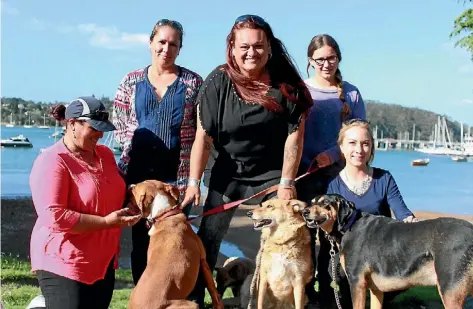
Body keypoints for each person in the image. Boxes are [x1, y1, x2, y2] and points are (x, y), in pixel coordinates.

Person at [181, 14, 313, 307]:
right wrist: (193, 183)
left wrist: (287, 182)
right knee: (209, 238)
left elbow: (295, 135)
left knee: (288, 232)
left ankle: (291, 296)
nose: (251, 52)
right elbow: (203, 137)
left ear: (269, 47)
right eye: (244, 46)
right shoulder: (217, 82)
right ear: (232, 47)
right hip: (227, 172)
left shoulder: (286, 85)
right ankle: (196, 299)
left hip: (272, 173)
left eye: (258, 46)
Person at [112, 18, 203, 284]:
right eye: (161, 42)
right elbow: (120, 123)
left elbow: (201, 131)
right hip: (137, 180)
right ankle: (145, 296)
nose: (166, 48)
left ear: (180, 48)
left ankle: (176, 297)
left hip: (176, 181)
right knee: (141, 245)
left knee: (175, 245)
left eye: (173, 44)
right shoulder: (131, 80)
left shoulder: (192, 82)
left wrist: (194, 181)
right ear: (151, 43)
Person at [29, 97, 141, 309]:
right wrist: (107, 222)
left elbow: (114, 190)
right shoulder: (53, 160)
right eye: (94, 128)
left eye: (103, 129)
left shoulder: (105, 155)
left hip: (102, 261)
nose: (100, 135)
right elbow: (54, 216)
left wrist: (132, 201)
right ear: (72, 124)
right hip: (64, 260)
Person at [295, 34, 366, 308]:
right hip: (304, 175)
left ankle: (330, 294)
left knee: (331, 238)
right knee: (303, 238)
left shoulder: (351, 93)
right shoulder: (301, 90)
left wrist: (334, 154)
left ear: (339, 58)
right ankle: (304, 293)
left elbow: (359, 133)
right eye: (320, 59)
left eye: (331, 58)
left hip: (337, 177)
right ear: (310, 61)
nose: (326, 64)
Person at [327, 119, 418, 308]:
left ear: (371, 148)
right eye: (352, 143)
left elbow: (402, 213)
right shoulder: (333, 185)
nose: (359, 150)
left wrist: (413, 223)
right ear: (342, 147)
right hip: (348, 256)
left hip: (382, 254)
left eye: (365, 143)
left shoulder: (384, 178)